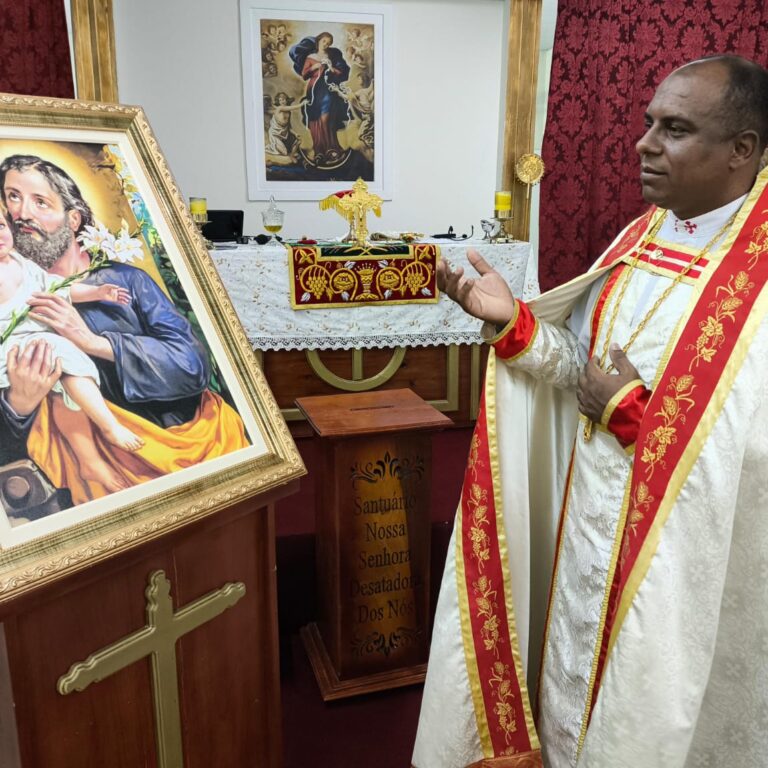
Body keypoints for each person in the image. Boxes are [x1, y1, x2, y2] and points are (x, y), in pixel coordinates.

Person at [413, 55, 768, 768]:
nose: (643, 144)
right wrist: (514, 324)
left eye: (675, 129)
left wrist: (636, 416)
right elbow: (584, 374)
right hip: (589, 534)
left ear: (742, 152)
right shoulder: (641, 239)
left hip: (679, 580)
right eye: (647, 123)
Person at [0, 154, 249, 505]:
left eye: (39, 201)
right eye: (12, 197)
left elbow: (193, 365)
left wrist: (95, 344)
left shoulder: (126, 280)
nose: (21, 213)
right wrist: (18, 406)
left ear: (73, 219)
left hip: (178, 445)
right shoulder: (10, 297)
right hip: (75, 480)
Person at [289, 32, 351, 165]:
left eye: (329, 43)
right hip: (314, 89)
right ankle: (319, 150)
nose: (326, 45)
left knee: (326, 118)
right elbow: (304, 75)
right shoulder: (310, 57)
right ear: (318, 41)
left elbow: (340, 73)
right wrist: (314, 67)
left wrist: (331, 67)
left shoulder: (331, 57)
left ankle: (332, 148)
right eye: (324, 42)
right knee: (315, 118)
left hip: (327, 88)